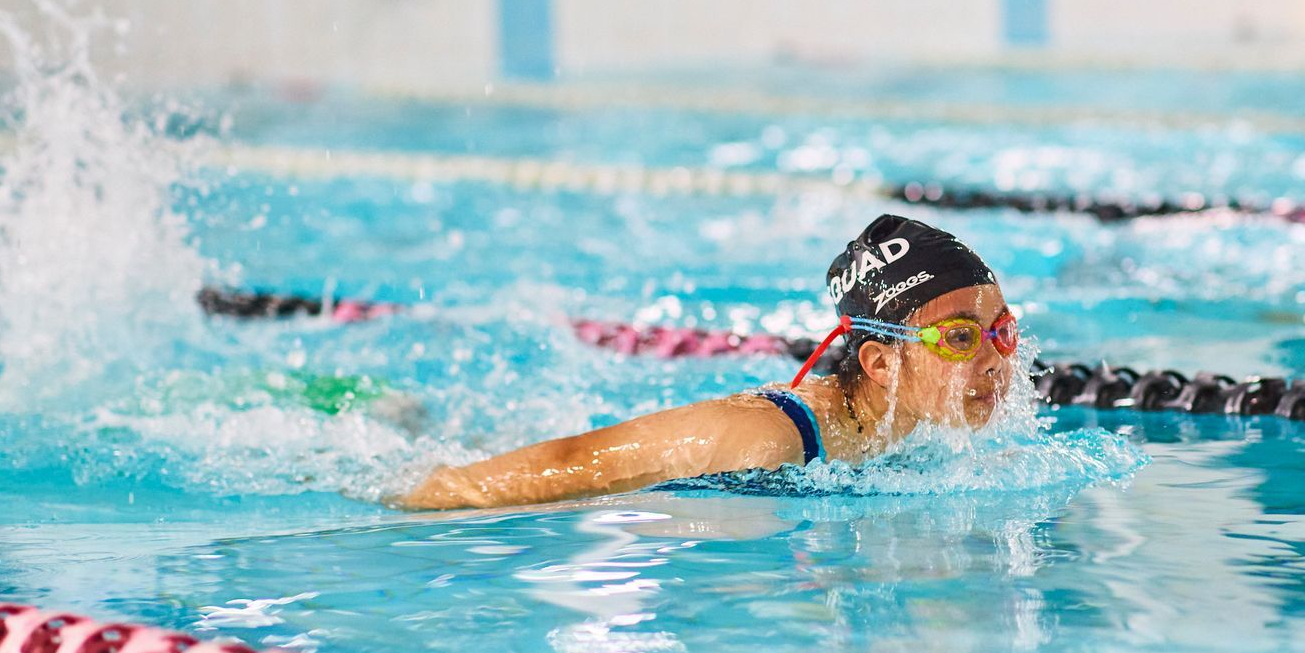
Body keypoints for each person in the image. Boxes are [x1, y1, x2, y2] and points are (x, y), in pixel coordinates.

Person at [396, 216, 1018, 510]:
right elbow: (569, 464)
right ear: (881, 364)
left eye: (1002, 331)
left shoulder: (924, 429)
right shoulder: (766, 438)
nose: (995, 361)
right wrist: (434, 499)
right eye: (961, 339)